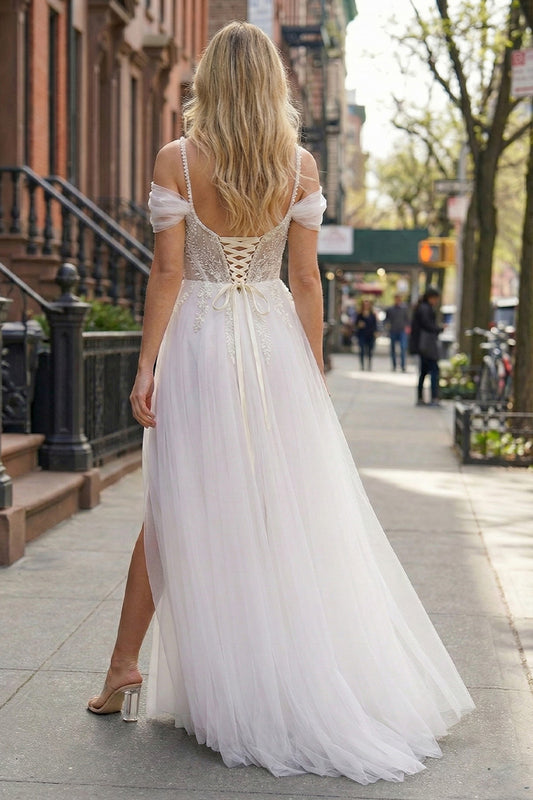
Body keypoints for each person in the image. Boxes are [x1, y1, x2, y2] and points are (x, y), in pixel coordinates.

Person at [87, 23, 473, 784]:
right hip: (271, 343)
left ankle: (125, 667)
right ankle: (277, 666)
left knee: (175, 506)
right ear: (271, 84)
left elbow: (166, 273)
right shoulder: (297, 167)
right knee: (278, 509)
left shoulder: (177, 159)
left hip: (198, 338)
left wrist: (145, 362)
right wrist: (312, 368)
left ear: (209, 80)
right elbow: (305, 281)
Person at [411, 286, 443, 406]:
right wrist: (439, 328)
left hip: (423, 345)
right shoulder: (425, 309)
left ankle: (421, 398)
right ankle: (434, 397)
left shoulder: (422, 308)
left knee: (424, 372)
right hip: (427, 345)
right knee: (434, 370)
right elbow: (428, 325)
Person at [386, 294, 409, 371]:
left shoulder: (404, 308)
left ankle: (403, 366)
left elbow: (408, 319)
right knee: (393, 349)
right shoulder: (390, 309)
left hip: (402, 331)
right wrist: (387, 326)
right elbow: (387, 320)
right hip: (393, 330)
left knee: (403, 348)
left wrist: (407, 328)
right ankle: (394, 365)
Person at [354, 298, 378, 370]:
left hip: (370, 334)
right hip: (362, 334)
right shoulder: (360, 314)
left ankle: (369, 365)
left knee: (370, 350)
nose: (366, 306)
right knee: (362, 350)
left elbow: (375, 324)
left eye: (367, 304)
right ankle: (362, 365)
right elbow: (356, 323)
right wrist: (359, 324)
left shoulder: (372, 314)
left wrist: (376, 332)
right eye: (365, 304)